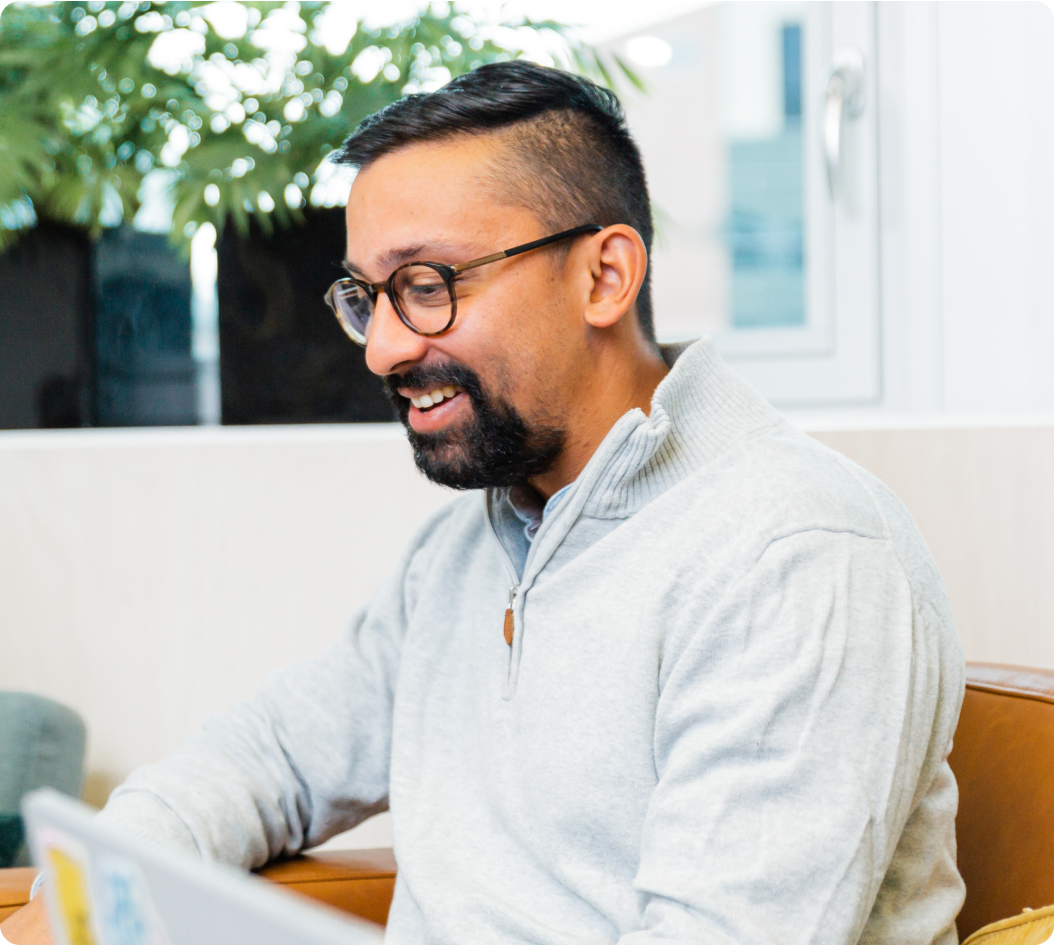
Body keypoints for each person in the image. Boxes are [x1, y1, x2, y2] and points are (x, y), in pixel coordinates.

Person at [1, 61, 966, 945]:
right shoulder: (476, 540)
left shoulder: (801, 555)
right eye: (365, 296)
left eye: (426, 285)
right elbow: (277, 756)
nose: (381, 348)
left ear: (604, 275)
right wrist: (93, 884)